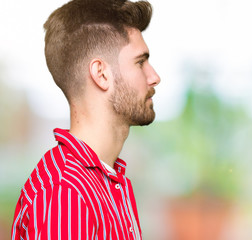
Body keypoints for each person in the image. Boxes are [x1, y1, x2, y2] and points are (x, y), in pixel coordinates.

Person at [11, 0, 160, 239]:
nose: (154, 77)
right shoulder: (66, 192)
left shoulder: (108, 181)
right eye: (140, 62)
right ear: (101, 74)